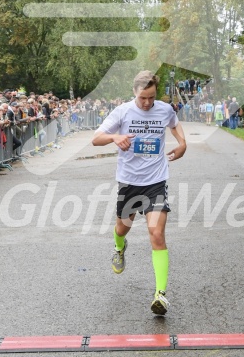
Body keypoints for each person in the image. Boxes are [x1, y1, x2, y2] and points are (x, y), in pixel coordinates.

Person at [92, 71, 187, 316]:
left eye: (151, 98)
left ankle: (160, 295)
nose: (147, 103)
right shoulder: (122, 112)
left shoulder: (164, 109)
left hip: (156, 181)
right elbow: (96, 139)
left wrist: (183, 143)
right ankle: (120, 248)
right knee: (122, 228)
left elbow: (175, 126)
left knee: (156, 233)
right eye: (143, 98)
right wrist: (115, 136)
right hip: (129, 182)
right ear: (134, 92)